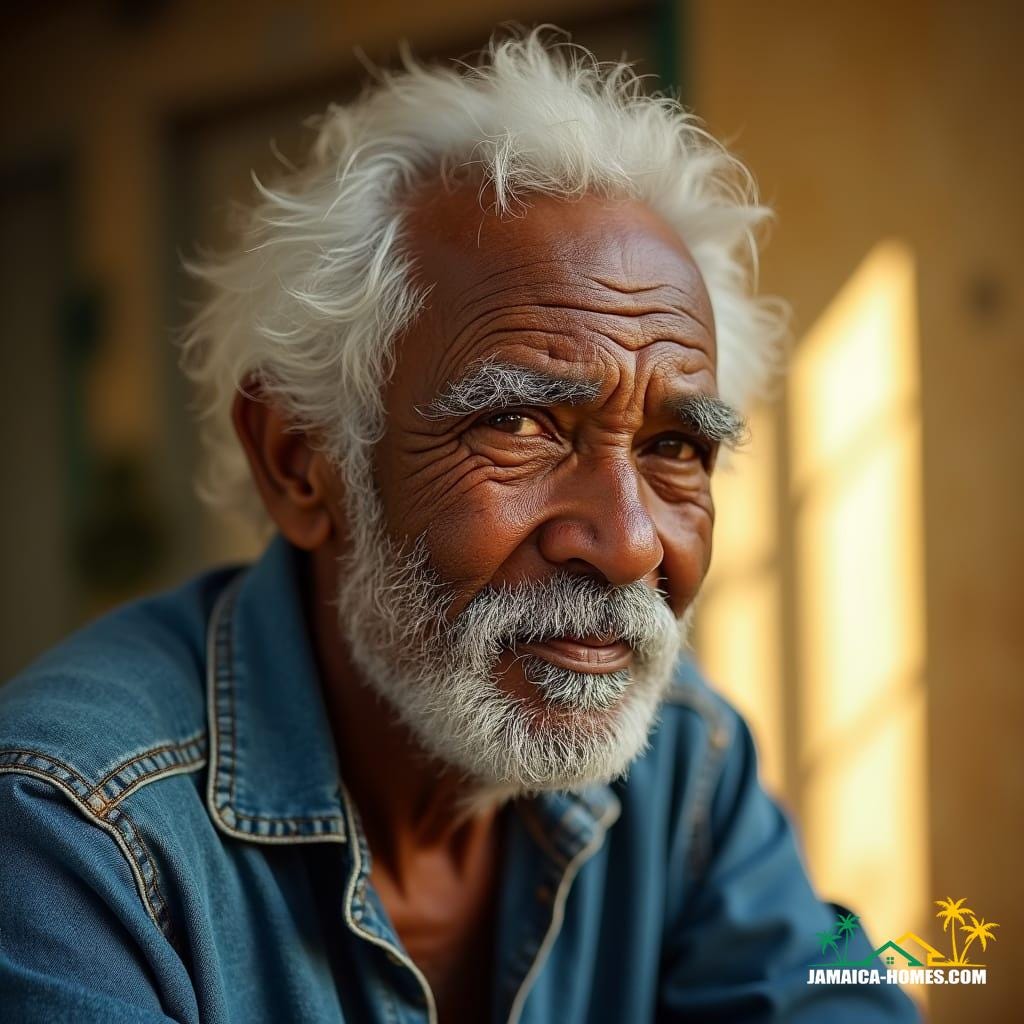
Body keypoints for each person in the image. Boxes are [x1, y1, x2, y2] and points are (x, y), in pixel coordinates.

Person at [0, 29, 918, 1024]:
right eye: (518, 423)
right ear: (300, 462)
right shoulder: (68, 829)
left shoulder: (688, 760)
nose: (629, 543)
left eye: (675, 448)